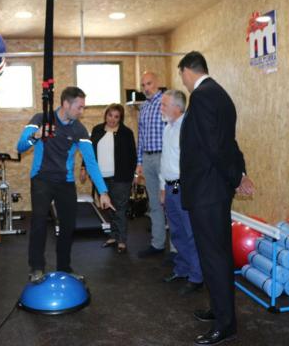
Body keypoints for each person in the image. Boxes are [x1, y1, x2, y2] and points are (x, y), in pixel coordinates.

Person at [178, 51, 255, 345]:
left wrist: (235, 177)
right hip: (213, 191)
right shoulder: (220, 94)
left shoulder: (202, 96)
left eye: (182, 76)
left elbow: (214, 146)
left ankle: (226, 324)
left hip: (207, 193)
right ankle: (219, 309)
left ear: (187, 71)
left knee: (215, 257)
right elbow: (228, 142)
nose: (183, 82)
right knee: (216, 254)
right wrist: (240, 173)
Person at [17, 86, 115, 282]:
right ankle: (36, 268)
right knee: (38, 223)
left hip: (65, 182)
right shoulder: (40, 119)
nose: (82, 111)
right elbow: (20, 146)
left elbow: (91, 161)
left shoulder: (79, 129)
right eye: (79, 107)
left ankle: (64, 267)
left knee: (68, 226)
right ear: (65, 104)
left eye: (83, 108)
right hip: (42, 179)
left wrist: (103, 191)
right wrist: (35, 136)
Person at [158, 90, 203, 296]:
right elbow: (165, 159)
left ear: (177, 107)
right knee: (176, 231)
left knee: (190, 232)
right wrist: (162, 187)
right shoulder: (168, 127)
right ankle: (183, 269)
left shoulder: (188, 128)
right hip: (171, 186)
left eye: (164, 105)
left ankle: (196, 277)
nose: (161, 108)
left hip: (183, 186)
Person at [80, 104, 137, 254]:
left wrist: (133, 176)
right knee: (108, 208)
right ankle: (112, 236)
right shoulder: (97, 130)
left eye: (116, 116)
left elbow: (133, 157)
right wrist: (83, 168)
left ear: (120, 118)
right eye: (110, 115)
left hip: (121, 178)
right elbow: (89, 152)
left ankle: (122, 240)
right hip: (100, 178)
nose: (112, 119)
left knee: (119, 209)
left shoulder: (126, 133)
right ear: (106, 115)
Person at [136, 72, 167, 258]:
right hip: (148, 159)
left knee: (173, 199)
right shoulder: (144, 108)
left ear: (157, 83)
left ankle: (176, 250)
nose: (146, 88)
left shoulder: (166, 102)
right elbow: (141, 137)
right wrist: (139, 162)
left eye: (149, 83)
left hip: (166, 160)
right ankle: (158, 244)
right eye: (143, 85)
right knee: (154, 203)